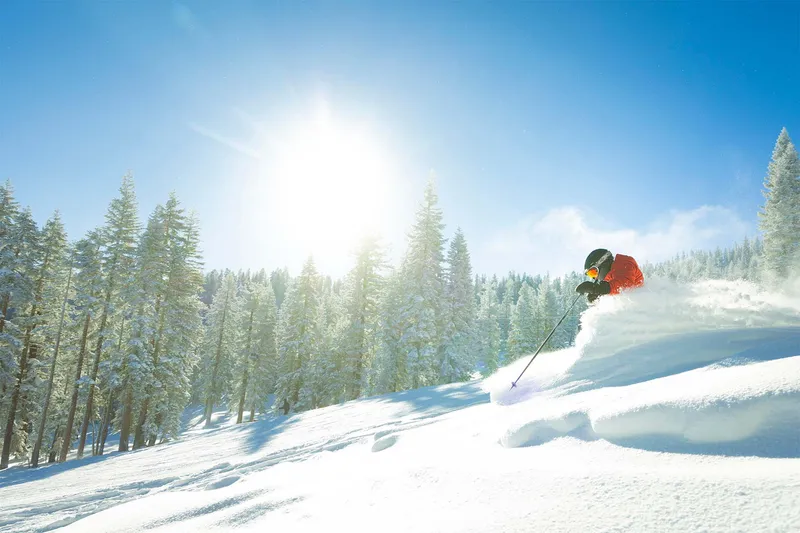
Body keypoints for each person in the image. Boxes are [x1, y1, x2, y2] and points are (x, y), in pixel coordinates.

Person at [575, 248, 644, 303]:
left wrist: (598, 289)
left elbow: (624, 284)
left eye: (593, 272)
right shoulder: (611, 280)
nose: (594, 278)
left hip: (641, 305)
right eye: (591, 275)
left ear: (602, 263)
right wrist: (598, 297)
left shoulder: (625, 263)